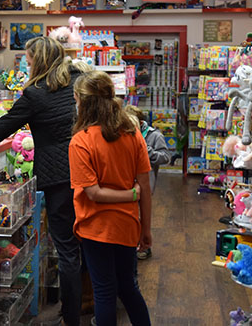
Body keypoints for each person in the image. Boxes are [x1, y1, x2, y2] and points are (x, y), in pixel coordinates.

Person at [0, 36, 89, 326]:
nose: (25, 64)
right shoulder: (80, 80)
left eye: (28, 60)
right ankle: (90, 303)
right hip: (89, 169)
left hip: (60, 178)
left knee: (67, 248)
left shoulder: (36, 93)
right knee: (86, 244)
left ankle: (71, 318)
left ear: (38, 61)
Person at [69, 70, 152, 326]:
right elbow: (145, 187)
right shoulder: (132, 134)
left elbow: (92, 192)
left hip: (96, 227)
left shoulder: (80, 142)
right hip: (127, 223)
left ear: (81, 101)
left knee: (104, 291)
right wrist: (145, 228)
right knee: (128, 287)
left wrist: (129, 194)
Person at [124, 105, 170, 260]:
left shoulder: (154, 135)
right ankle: (133, 243)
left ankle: (144, 246)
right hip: (128, 181)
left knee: (144, 214)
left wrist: (147, 151)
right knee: (132, 214)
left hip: (146, 180)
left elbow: (165, 157)